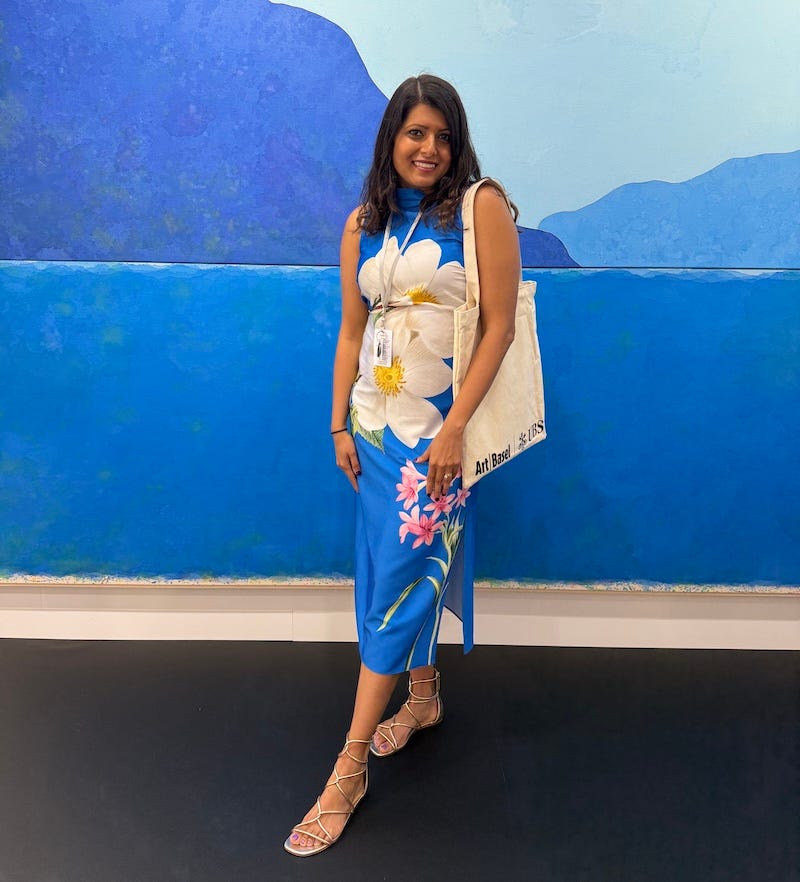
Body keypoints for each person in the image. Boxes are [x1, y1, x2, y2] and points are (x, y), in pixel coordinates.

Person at [284, 74, 521, 857]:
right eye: (416, 132)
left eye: (443, 136)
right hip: (373, 428)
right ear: (392, 138)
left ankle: (348, 767)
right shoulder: (363, 224)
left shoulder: (480, 208)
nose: (430, 148)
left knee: (399, 579)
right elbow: (351, 331)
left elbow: (499, 329)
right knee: (380, 568)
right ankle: (422, 698)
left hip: (434, 438)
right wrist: (337, 424)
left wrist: (455, 429)